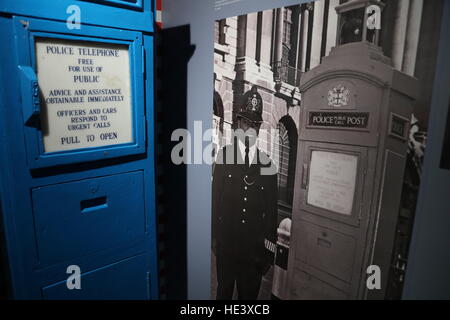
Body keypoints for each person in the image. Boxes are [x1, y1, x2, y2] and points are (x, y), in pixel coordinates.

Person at [212, 86, 278, 300]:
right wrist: (215, 240)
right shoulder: (224, 157)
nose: (250, 130)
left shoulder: (267, 165)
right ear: (238, 123)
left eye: (255, 125)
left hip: (253, 255)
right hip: (227, 250)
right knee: (223, 296)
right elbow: (215, 202)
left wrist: (268, 253)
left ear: (259, 129)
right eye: (246, 123)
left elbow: (271, 214)